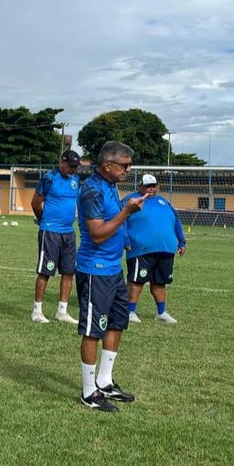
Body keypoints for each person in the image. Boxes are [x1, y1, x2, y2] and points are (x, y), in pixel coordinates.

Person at [74, 141, 144, 412]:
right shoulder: (91, 190)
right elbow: (97, 233)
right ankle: (89, 391)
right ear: (107, 165)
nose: (128, 169)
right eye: (124, 165)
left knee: (116, 324)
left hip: (114, 270)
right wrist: (127, 211)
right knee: (93, 330)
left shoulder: (110, 187)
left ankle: (104, 381)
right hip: (95, 271)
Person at [124, 174, 186, 324]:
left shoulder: (163, 202)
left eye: (153, 186)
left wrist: (182, 241)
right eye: (147, 186)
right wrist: (125, 239)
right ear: (140, 186)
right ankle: (130, 311)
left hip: (165, 249)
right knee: (137, 281)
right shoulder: (131, 200)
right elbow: (121, 219)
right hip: (141, 249)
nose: (151, 189)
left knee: (160, 282)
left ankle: (161, 312)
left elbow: (176, 221)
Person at [30, 149, 82, 324]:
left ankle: (62, 311)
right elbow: (36, 202)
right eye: (70, 166)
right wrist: (43, 220)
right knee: (46, 271)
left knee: (68, 272)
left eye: (75, 167)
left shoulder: (76, 180)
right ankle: (37, 311)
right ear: (62, 162)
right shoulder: (49, 178)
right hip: (50, 231)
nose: (73, 170)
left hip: (68, 232)